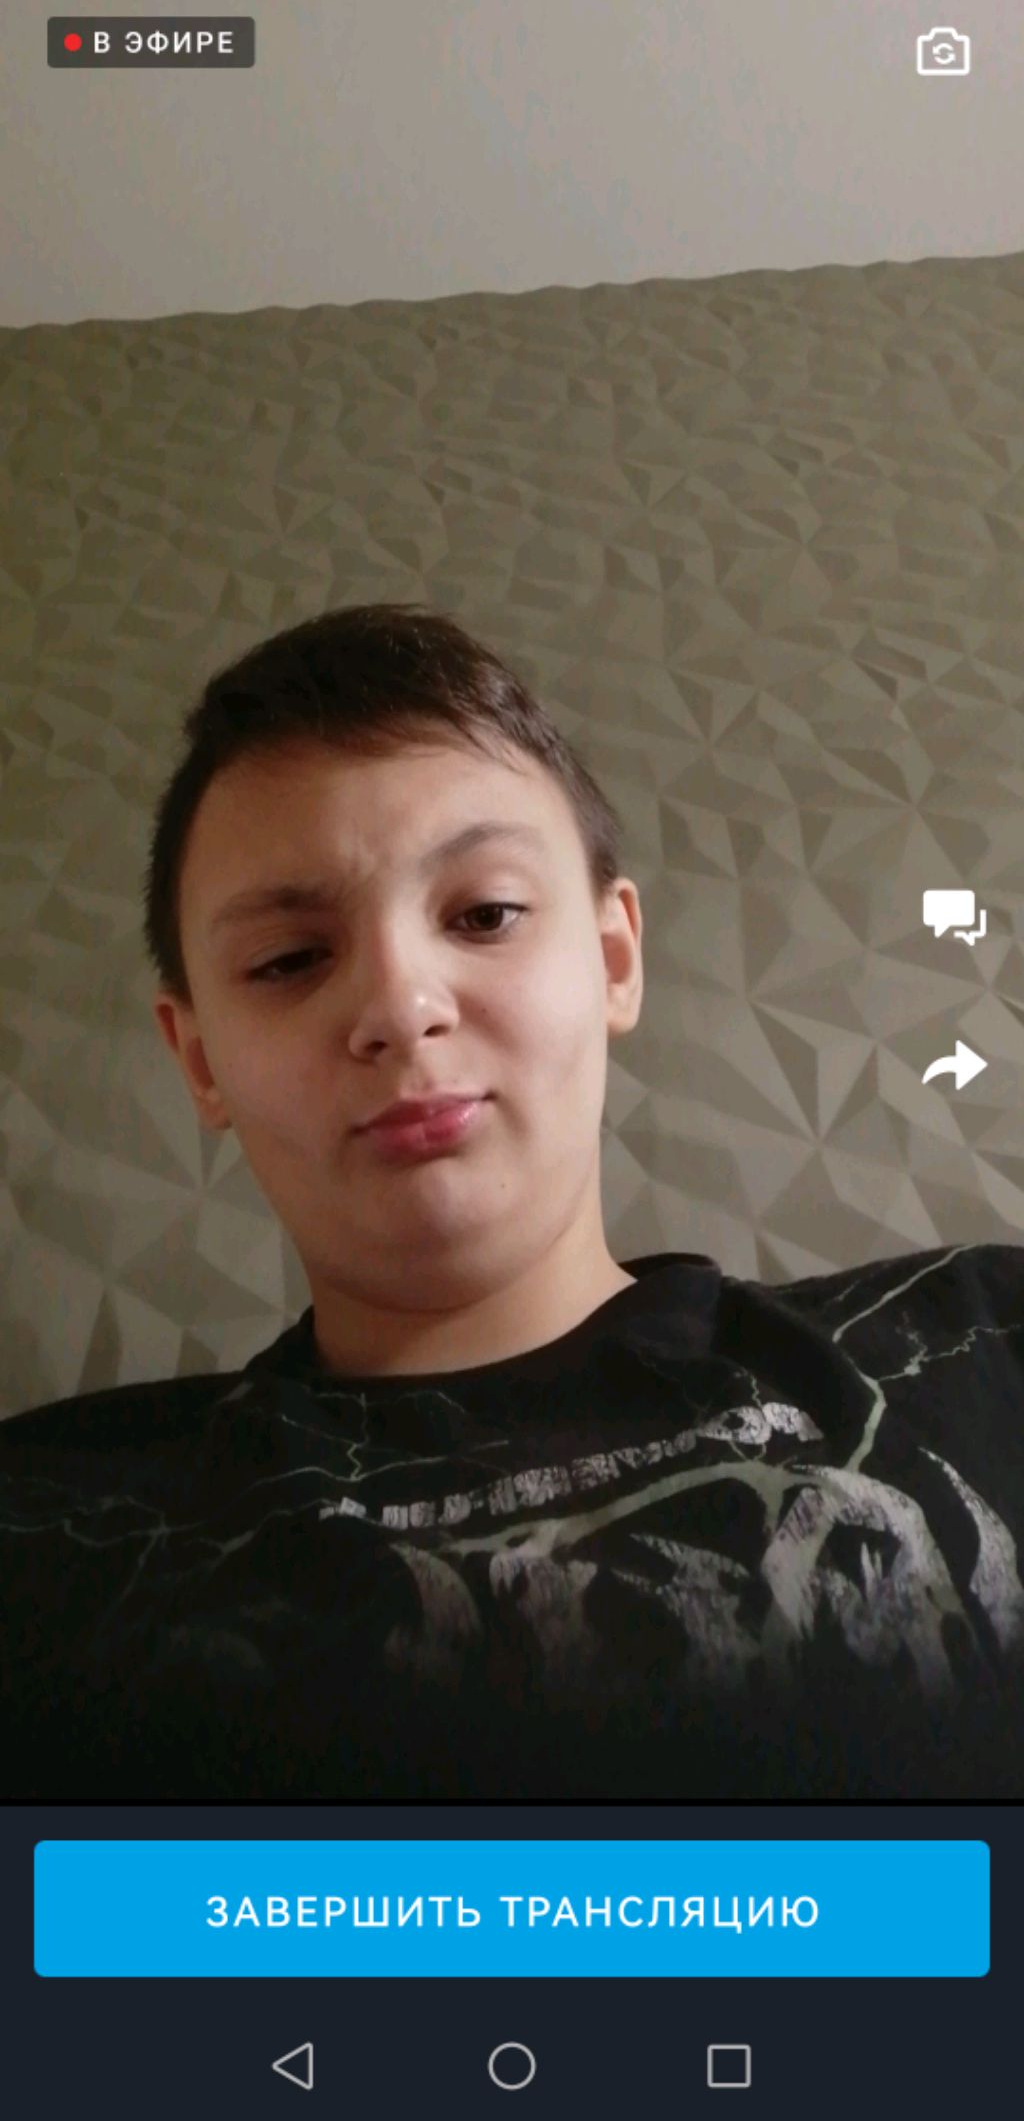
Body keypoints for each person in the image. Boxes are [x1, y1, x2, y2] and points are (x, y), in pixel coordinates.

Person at [2, 602, 1023, 1801]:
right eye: (289, 959)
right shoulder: (49, 1530)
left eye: (483, 913)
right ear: (200, 1062)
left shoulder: (983, 1338)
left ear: (614, 959)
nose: (400, 1006)